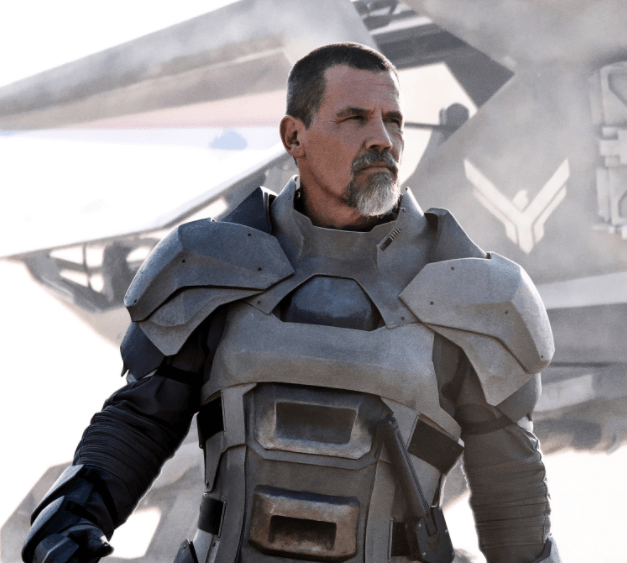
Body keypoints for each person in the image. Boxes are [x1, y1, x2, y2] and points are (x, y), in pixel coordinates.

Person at [23, 43, 560, 563]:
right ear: (294, 136)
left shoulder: (468, 288)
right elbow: (141, 421)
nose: (382, 140)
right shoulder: (213, 264)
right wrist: (68, 522)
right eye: (354, 118)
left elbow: (511, 491)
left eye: (393, 121)